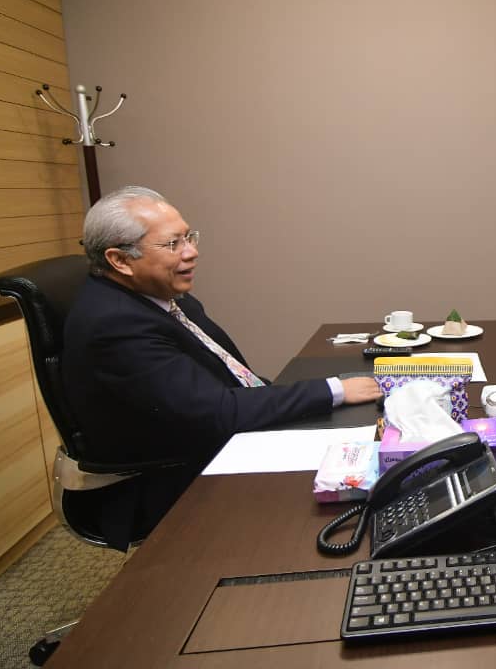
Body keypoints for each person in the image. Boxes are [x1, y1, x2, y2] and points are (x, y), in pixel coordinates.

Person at [62, 186, 383, 548]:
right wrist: (333, 390)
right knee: (343, 506)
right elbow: (214, 411)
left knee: (366, 444)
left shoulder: (161, 298)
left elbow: (229, 378)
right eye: (173, 244)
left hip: (215, 436)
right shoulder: (115, 326)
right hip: (169, 478)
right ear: (120, 260)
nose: (191, 252)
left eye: (189, 237)